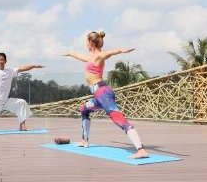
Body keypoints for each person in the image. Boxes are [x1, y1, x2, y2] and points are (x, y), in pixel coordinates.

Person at [63, 30, 149, 159]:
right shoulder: (91, 58)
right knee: (84, 110)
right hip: (98, 97)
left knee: (118, 119)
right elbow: (80, 56)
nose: (86, 44)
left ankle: (141, 150)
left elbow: (109, 53)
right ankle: (84, 141)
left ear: (91, 43)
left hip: (103, 93)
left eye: (87, 42)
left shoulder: (99, 56)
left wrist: (121, 50)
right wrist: (70, 53)